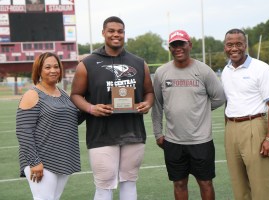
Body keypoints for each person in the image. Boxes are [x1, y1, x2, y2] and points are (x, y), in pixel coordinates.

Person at [70, 16, 154, 200]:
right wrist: (91, 108)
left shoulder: (139, 63)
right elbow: (75, 95)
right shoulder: (88, 63)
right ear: (103, 33)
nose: (116, 35)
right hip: (101, 134)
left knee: (129, 182)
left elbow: (149, 92)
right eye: (111, 31)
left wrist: (147, 104)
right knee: (104, 185)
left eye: (120, 31)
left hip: (133, 132)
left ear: (124, 33)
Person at [151, 30, 226, 200]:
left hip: (201, 141)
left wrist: (200, 110)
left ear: (189, 45)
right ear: (170, 47)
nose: (178, 48)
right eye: (174, 45)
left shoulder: (204, 70)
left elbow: (219, 97)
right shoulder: (162, 72)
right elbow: (157, 105)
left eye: (181, 44)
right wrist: (157, 133)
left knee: (205, 183)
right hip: (173, 141)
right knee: (179, 183)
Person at [221, 28, 269, 200]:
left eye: (238, 44)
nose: (234, 48)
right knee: (239, 185)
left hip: (254, 126)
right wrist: (228, 128)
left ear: (245, 45)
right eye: (230, 44)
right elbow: (229, 101)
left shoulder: (260, 68)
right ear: (225, 47)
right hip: (231, 128)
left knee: (260, 184)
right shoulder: (226, 71)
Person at [16, 52, 81, 200]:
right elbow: (23, 132)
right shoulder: (32, 94)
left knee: (53, 198)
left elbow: (72, 120)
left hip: (62, 157)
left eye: (56, 66)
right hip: (42, 159)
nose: (53, 70)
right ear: (39, 70)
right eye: (47, 67)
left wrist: (91, 105)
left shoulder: (62, 93)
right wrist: (35, 162)